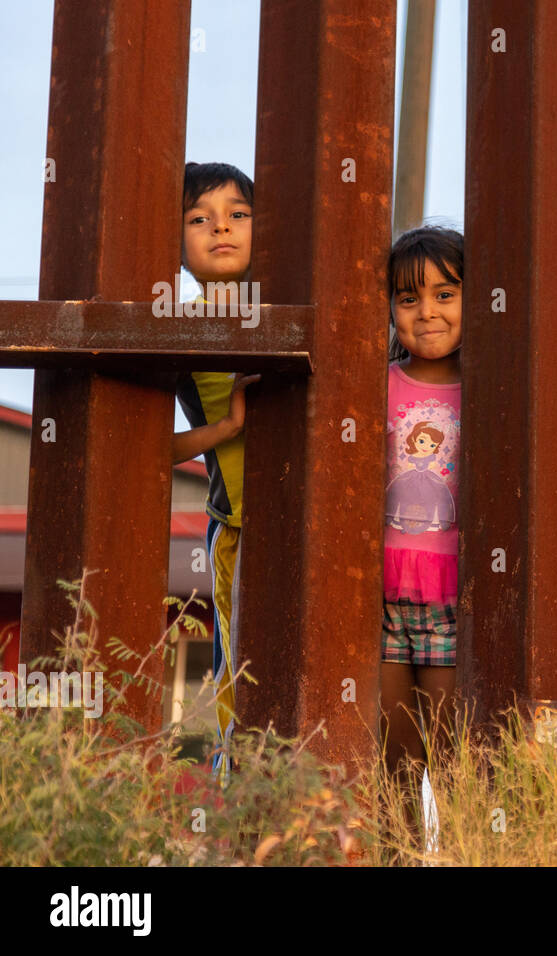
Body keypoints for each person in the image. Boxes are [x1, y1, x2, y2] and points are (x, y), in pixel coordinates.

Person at [172, 162, 261, 782]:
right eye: (200, 219)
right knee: (239, 670)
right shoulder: (176, 326)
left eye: (237, 215)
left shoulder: (289, 305)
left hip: (318, 523)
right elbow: (154, 445)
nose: (220, 228)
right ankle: (238, 795)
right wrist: (226, 429)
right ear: (176, 247)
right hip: (236, 531)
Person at [380, 226, 464, 776]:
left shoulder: (489, 388)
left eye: (445, 295)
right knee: (394, 760)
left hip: (451, 597)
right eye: (409, 298)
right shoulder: (375, 383)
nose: (427, 311)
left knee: (453, 754)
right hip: (379, 596)